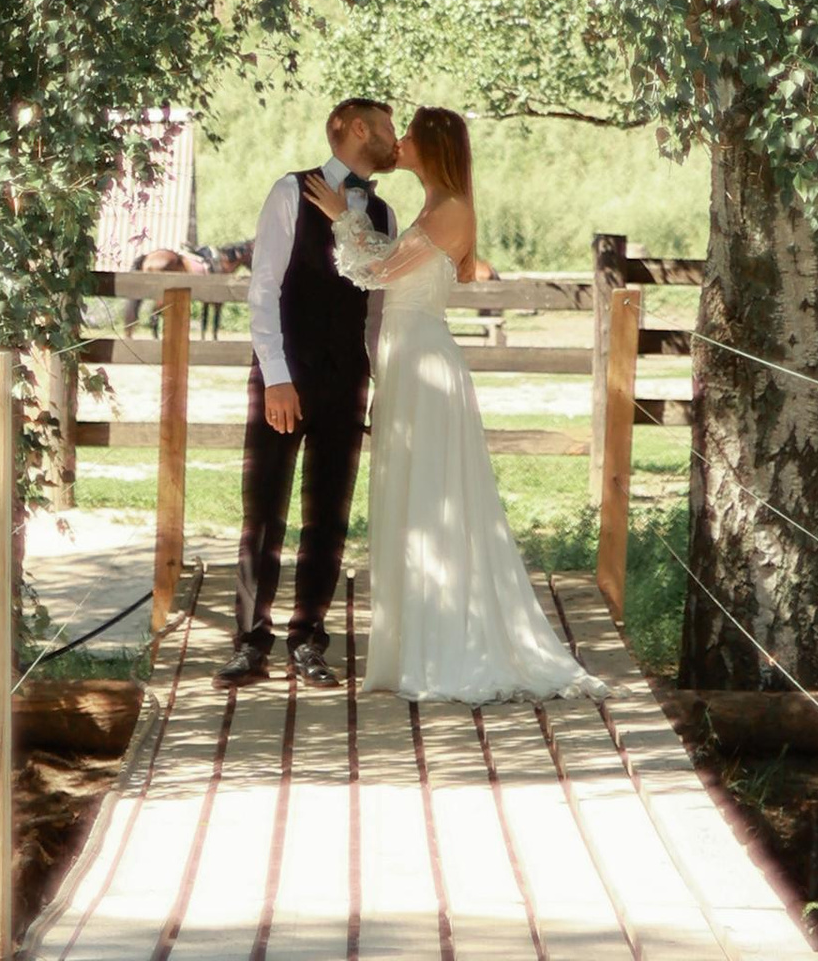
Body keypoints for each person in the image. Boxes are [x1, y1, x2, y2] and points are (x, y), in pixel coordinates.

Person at [303, 105, 591, 704]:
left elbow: (379, 270)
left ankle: (445, 650)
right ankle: (418, 642)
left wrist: (341, 219)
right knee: (414, 497)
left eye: (408, 134)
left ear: (431, 146)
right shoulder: (432, 209)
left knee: (435, 499)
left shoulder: (452, 210)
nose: (398, 142)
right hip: (406, 363)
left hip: (425, 360)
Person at [218, 96, 399, 689]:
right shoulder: (290, 192)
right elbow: (264, 287)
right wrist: (275, 375)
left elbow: (374, 309)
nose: (395, 139)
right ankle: (251, 640)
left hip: (346, 378)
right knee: (264, 510)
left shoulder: (386, 214)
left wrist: (376, 378)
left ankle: (308, 637)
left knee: (329, 512)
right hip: (286, 373)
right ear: (354, 128)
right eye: (387, 128)